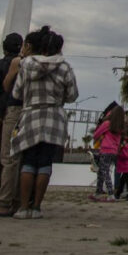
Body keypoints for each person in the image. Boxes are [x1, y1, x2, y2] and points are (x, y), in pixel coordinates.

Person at [9, 26, 78, 218]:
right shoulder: (64, 67)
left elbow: (16, 93)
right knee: (45, 163)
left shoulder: (26, 65)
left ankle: (23, 207)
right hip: (53, 117)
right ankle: (37, 207)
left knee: (28, 161)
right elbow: (72, 95)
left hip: (31, 115)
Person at [0, 33, 25, 216]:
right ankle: (17, 200)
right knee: (17, 158)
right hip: (20, 112)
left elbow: (4, 88)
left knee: (6, 158)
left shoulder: (4, 64)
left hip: (8, 113)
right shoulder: (24, 65)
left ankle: (4, 200)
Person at [91, 104, 125, 201]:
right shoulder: (120, 127)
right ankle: (98, 192)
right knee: (102, 171)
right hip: (114, 151)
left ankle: (110, 194)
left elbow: (96, 134)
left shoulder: (107, 124)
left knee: (104, 171)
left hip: (105, 150)